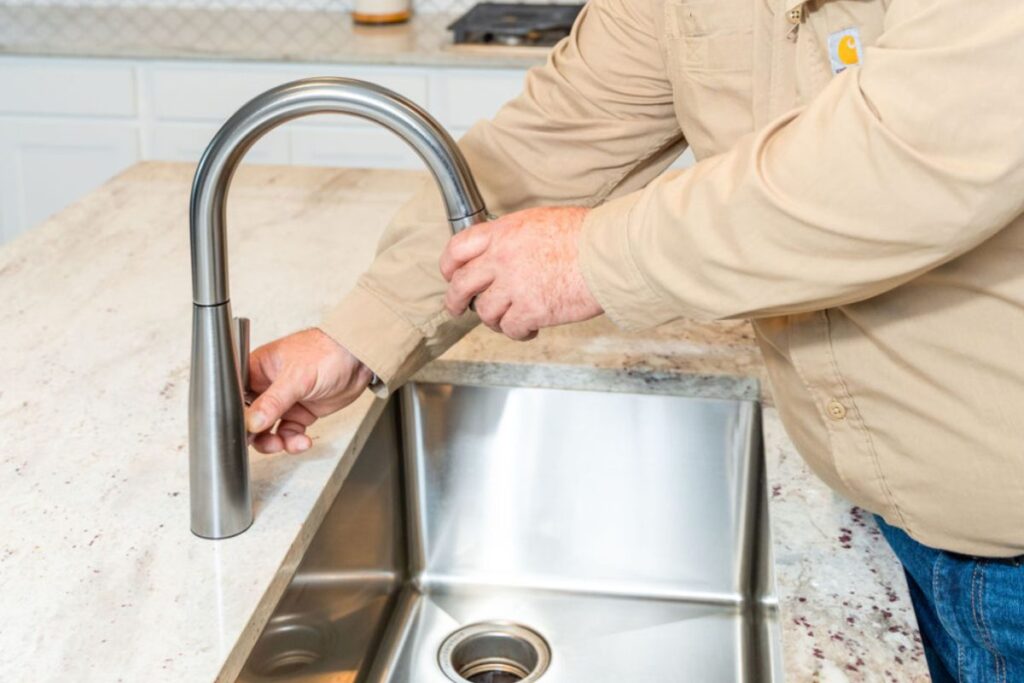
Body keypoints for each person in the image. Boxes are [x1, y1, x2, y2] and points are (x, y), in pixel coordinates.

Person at [241, 0, 1024, 679]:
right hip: (898, 517)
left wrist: (588, 256)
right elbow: (548, 144)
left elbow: (905, 155)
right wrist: (360, 331)